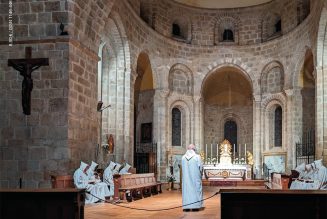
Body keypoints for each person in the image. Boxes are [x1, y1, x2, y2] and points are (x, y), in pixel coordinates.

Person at [181, 144, 203, 211]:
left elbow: (182, 168)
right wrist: (200, 175)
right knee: (195, 191)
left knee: (187, 191)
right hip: (195, 179)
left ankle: (186, 207)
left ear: (188, 149)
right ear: (193, 149)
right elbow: (201, 168)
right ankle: (195, 207)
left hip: (186, 179)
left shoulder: (183, 157)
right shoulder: (197, 157)